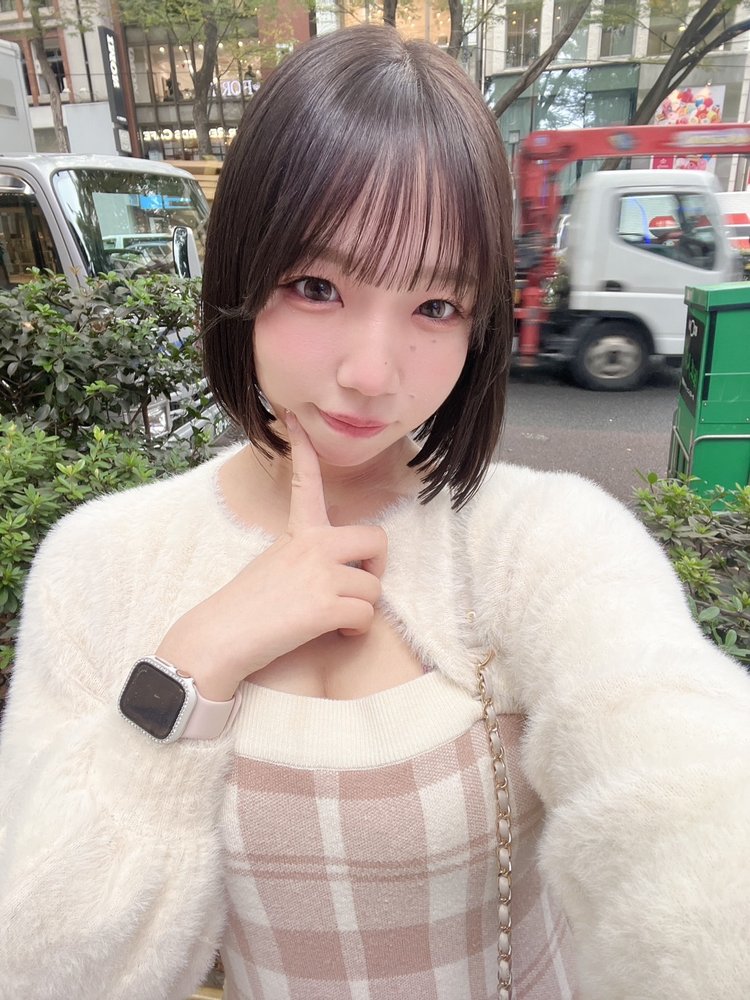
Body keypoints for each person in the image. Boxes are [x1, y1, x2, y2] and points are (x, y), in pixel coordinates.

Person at [1, 24, 749, 1000]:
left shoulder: (541, 543)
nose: (370, 372)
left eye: (435, 306)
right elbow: (38, 963)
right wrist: (197, 660)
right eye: (318, 287)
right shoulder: (102, 565)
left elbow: (686, 796)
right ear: (240, 274)